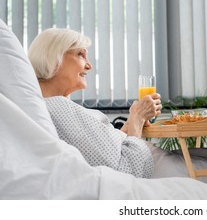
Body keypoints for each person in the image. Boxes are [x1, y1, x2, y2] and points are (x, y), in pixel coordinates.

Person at [28, 28, 163, 178]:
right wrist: (137, 117)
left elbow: (101, 151)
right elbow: (128, 173)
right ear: (52, 58)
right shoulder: (59, 107)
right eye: (80, 54)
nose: (89, 65)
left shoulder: (52, 106)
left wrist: (129, 127)